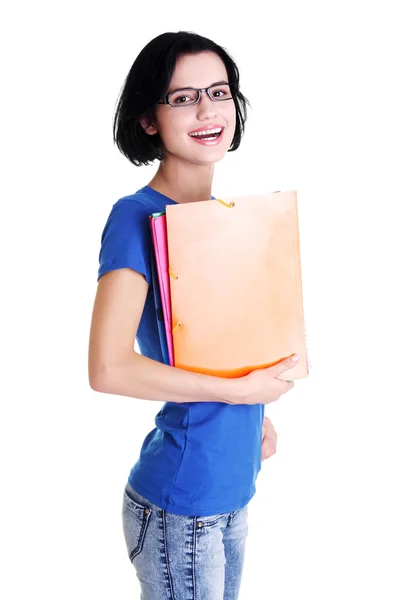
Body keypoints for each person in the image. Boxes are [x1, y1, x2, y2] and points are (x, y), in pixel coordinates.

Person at [88, 31, 298, 600]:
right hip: (182, 504)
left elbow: (219, 349)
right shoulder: (136, 218)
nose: (208, 111)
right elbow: (108, 368)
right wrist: (240, 396)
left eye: (219, 91)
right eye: (182, 98)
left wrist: (256, 416)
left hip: (230, 490)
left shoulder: (218, 219)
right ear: (148, 120)